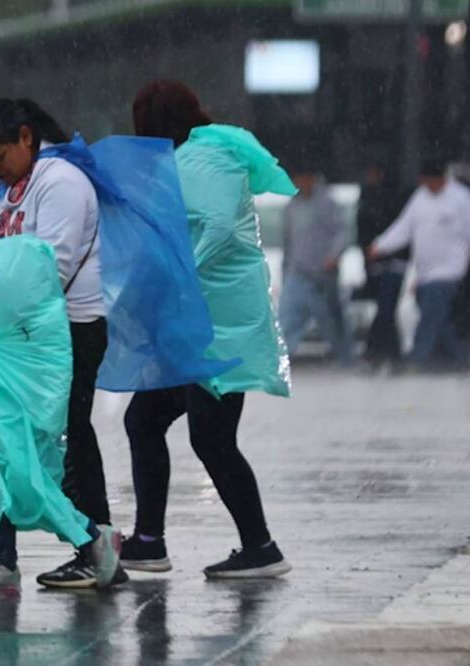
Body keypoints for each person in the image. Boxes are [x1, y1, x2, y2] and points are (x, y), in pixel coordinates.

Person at [0, 98, 123, 590]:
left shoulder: (62, 182)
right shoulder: (1, 182)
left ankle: (97, 545)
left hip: (69, 329)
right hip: (15, 326)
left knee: (66, 436)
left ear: (26, 137)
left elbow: (52, 268)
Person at [120, 80, 292, 579]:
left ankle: (261, 547)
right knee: (145, 420)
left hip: (221, 328)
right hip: (198, 326)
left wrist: (180, 274)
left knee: (211, 438)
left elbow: (217, 227)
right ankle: (149, 542)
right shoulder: (192, 157)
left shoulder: (209, 157)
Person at [0, 235, 117, 594]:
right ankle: (3, 559)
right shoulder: (21, 315)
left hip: (32, 421)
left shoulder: (36, 318)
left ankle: (92, 538)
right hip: (12, 419)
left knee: (29, 486)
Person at [368, 160, 470, 371]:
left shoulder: (460, 199)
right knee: (440, 320)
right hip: (424, 273)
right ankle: (462, 358)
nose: (428, 186)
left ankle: (416, 360)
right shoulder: (420, 199)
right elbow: (404, 228)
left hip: (449, 271)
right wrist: (381, 245)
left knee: (430, 318)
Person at [277, 168, 353, 365]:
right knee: (287, 320)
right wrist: (285, 272)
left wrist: (333, 255)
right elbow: (288, 243)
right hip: (298, 274)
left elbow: (343, 232)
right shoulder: (291, 207)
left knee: (333, 324)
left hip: (323, 276)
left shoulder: (328, 203)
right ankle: (277, 363)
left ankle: (347, 361)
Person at [356, 161, 412, 371]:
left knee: (385, 310)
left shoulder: (396, 199)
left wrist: (380, 248)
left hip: (394, 263)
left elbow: (401, 231)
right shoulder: (368, 198)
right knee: (386, 310)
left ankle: (372, 353)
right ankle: (394, 358)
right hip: (376, 264)